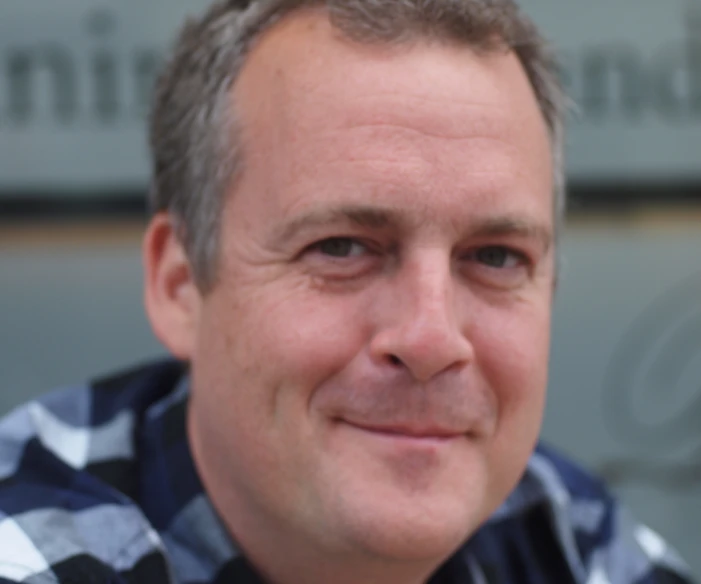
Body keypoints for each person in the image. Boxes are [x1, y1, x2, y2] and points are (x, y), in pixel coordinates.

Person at [0, 1, 694, 583]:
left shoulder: (564, 539)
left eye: (493, 257)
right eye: (341, 248)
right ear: (179, 284)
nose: (430, 339)